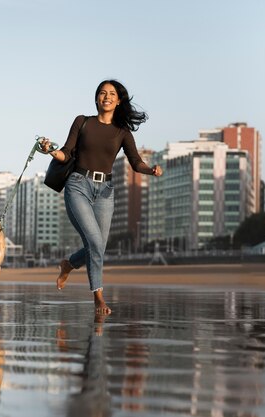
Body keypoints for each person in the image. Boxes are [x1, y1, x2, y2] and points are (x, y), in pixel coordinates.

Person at [40, 79, 163, 315]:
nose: (106, 96)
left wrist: (151, 170)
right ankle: (98, 296)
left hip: (106, 191)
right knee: (95, 243)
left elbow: (136, 162)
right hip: (78, 185)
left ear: (118, 101)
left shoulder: (122, 132)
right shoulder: (82, 122)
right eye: (102, 93)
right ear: (97, 98)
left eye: (112, 94)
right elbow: (66, 153)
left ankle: (69, 264)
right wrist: (50, 150)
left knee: (98, 246)